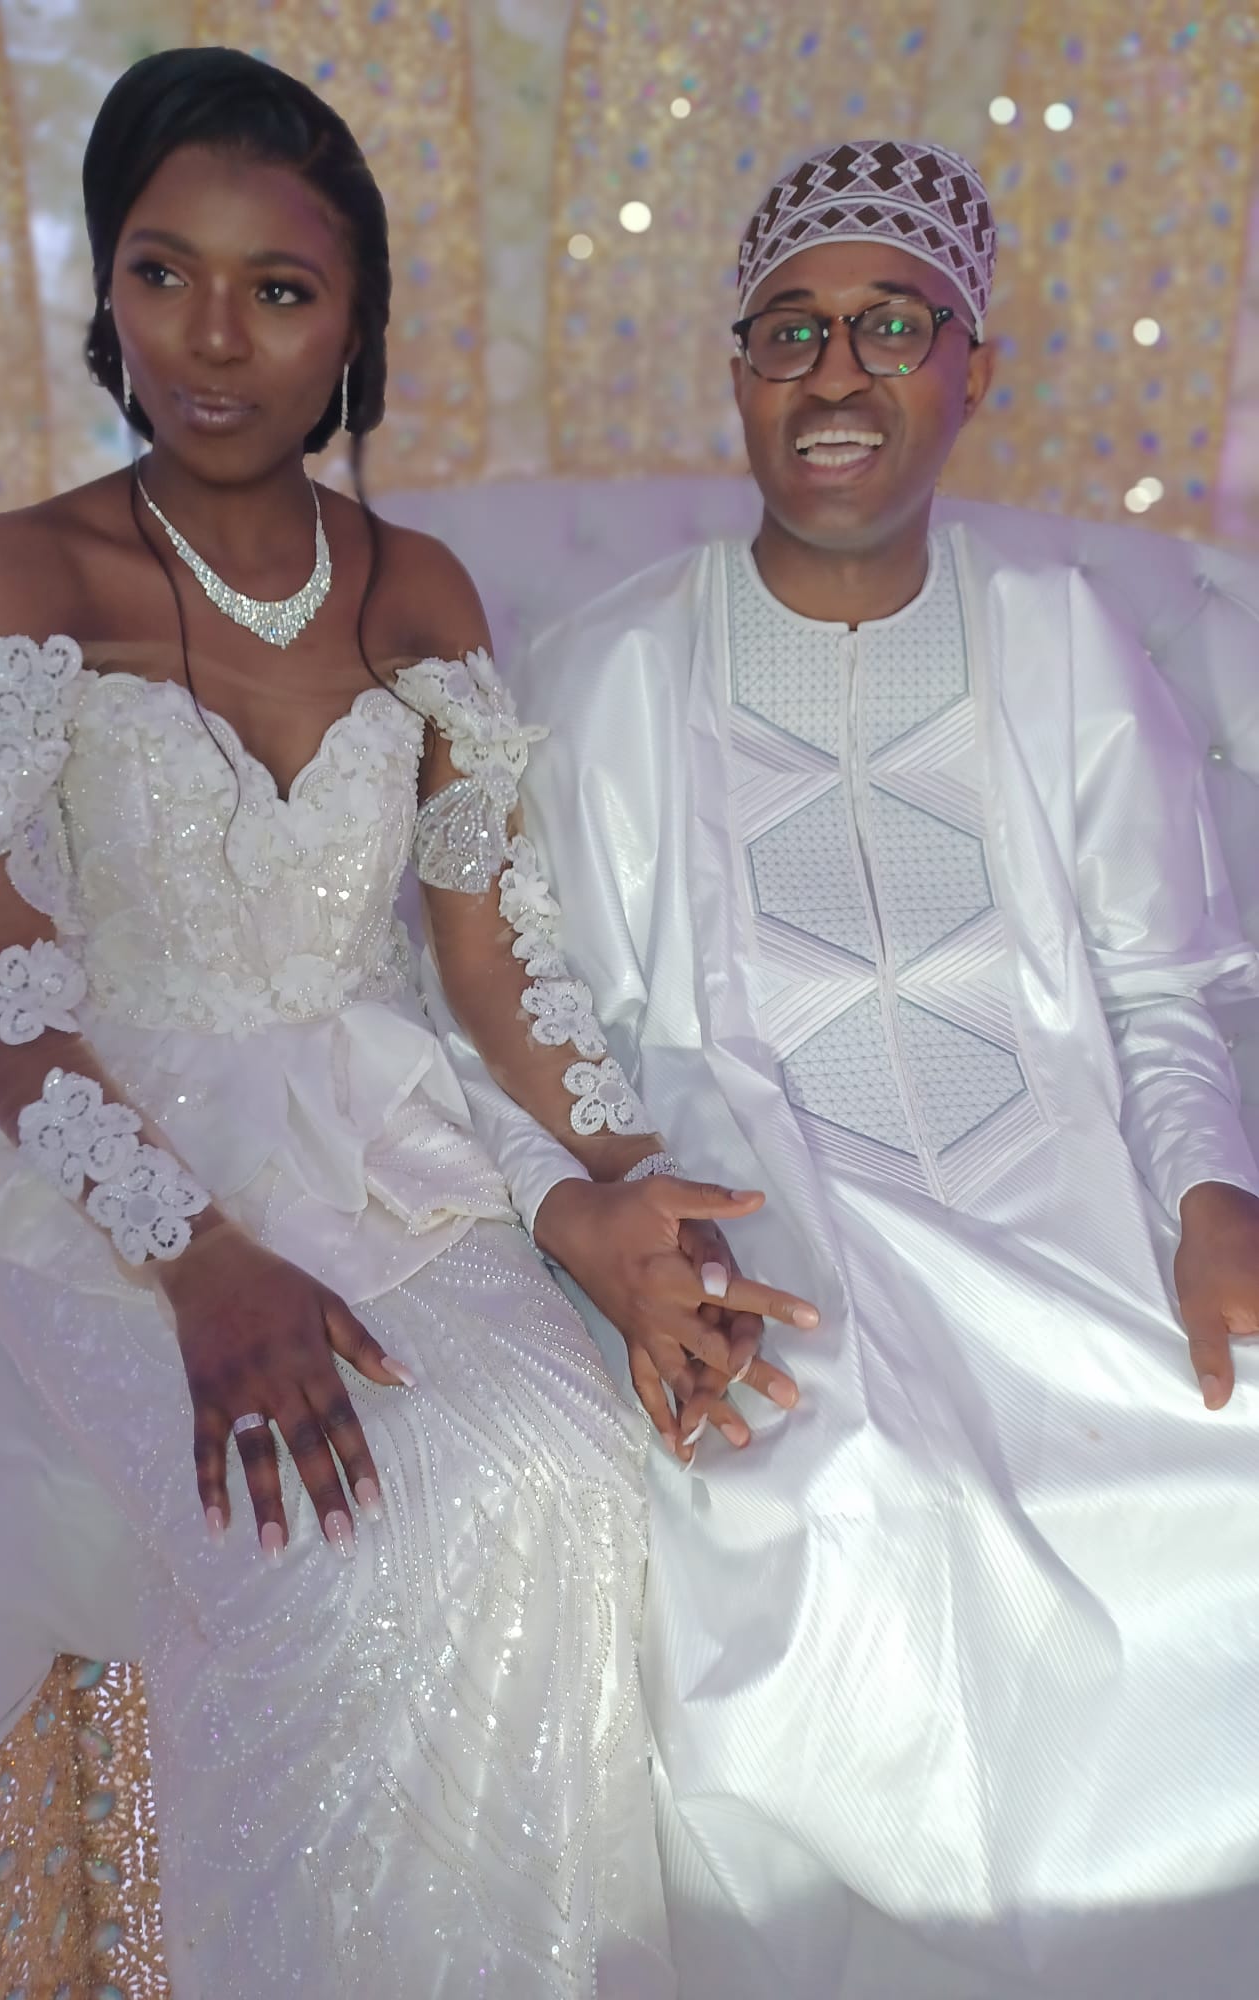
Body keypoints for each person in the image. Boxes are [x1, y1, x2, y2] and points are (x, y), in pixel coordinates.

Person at [0, 44, 772, 1996]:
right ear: (107, 287)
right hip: (110, 1158)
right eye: (161, 272)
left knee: (572, 1479)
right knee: (352, 1565)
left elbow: (490, 956)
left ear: (356, 324)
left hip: (383, 1134)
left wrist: (622, 1177)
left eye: (278, 289)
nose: (212, 339)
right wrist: (198, 1263)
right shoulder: (19, 572)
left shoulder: (420, 589)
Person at [430, 140, 1259, 1999]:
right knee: (829, 1513)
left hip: (1065, 1190)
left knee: (1233, 1472)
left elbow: (1159, 982)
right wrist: (586, 1224)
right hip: (763, 1210)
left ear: (975, 371)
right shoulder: (613, 669)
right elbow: (509, 1015)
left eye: (896, 326)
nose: (837, 374)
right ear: (738, 373)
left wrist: (1214, 1197)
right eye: (792, 331)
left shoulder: (1060, 638)